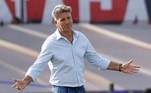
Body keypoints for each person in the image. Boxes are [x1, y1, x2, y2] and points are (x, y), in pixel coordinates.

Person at [12, 4, 140, 93]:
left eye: (69, 18)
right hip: (61, 89)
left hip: (80, 88)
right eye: (63, 20)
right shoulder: (50, 43)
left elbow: (97, 60)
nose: (67, 22)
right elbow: (37, 66)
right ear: (56, 22)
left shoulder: (81, 38)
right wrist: (25, 81)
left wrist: (120, 67)